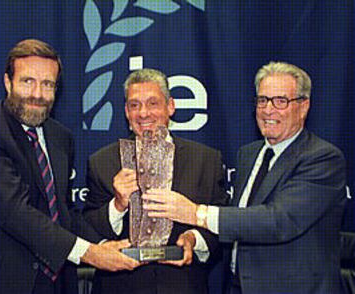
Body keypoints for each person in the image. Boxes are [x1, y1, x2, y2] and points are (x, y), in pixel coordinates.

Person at [0, 39, 140, 294]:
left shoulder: (60, 137)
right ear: (7, 82)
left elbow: (61, 211)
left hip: (48, 282)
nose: (37, 94)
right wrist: (90, 253)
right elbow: (13, 211)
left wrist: (103, 244)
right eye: (27, 81)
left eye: (47, 84)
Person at [143, 61, 347, 293]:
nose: (268, 110)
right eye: (262, 100)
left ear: (303, 106)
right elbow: (238, 218)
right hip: (238, 285)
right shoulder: (248, 154)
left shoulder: (323, 158)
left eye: (281, 101)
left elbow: (279, 221)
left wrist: (195, 212)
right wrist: (192, 237)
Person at [82, 68, 228, 294]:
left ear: (170, 106)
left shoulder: (206, 159)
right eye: (134, 105)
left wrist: (193, 239)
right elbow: (88, 227)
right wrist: (118, 205)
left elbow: (222, 222)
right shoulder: (102, 161)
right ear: (126, 112)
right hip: (120, 287)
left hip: (184, 286)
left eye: (152, 103)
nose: (143, 114)